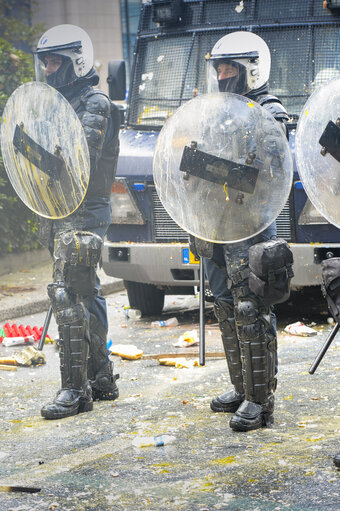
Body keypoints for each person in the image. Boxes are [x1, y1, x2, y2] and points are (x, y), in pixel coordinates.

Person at [202, 31, 290, 432]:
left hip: (250, 222)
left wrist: (210, 164)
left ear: (249, 70)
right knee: (223, 304)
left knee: (251, 307)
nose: (222, 76)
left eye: (229, 69)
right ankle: (241, 388)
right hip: (217, 221)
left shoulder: (271, 111)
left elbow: (263, 174)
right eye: (218, 68)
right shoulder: (214, 110)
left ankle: (261, 400)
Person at [33, 24, 121, 419]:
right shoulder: (51, 101)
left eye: (57, 62)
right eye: (46, 62)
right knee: (87, 291)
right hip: (59, 207)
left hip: (87, 207)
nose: (50, 69)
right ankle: (101, 377)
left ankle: (75, 390)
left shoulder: (95, 103)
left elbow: (75, 159)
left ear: (76, 61)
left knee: (67, 293)